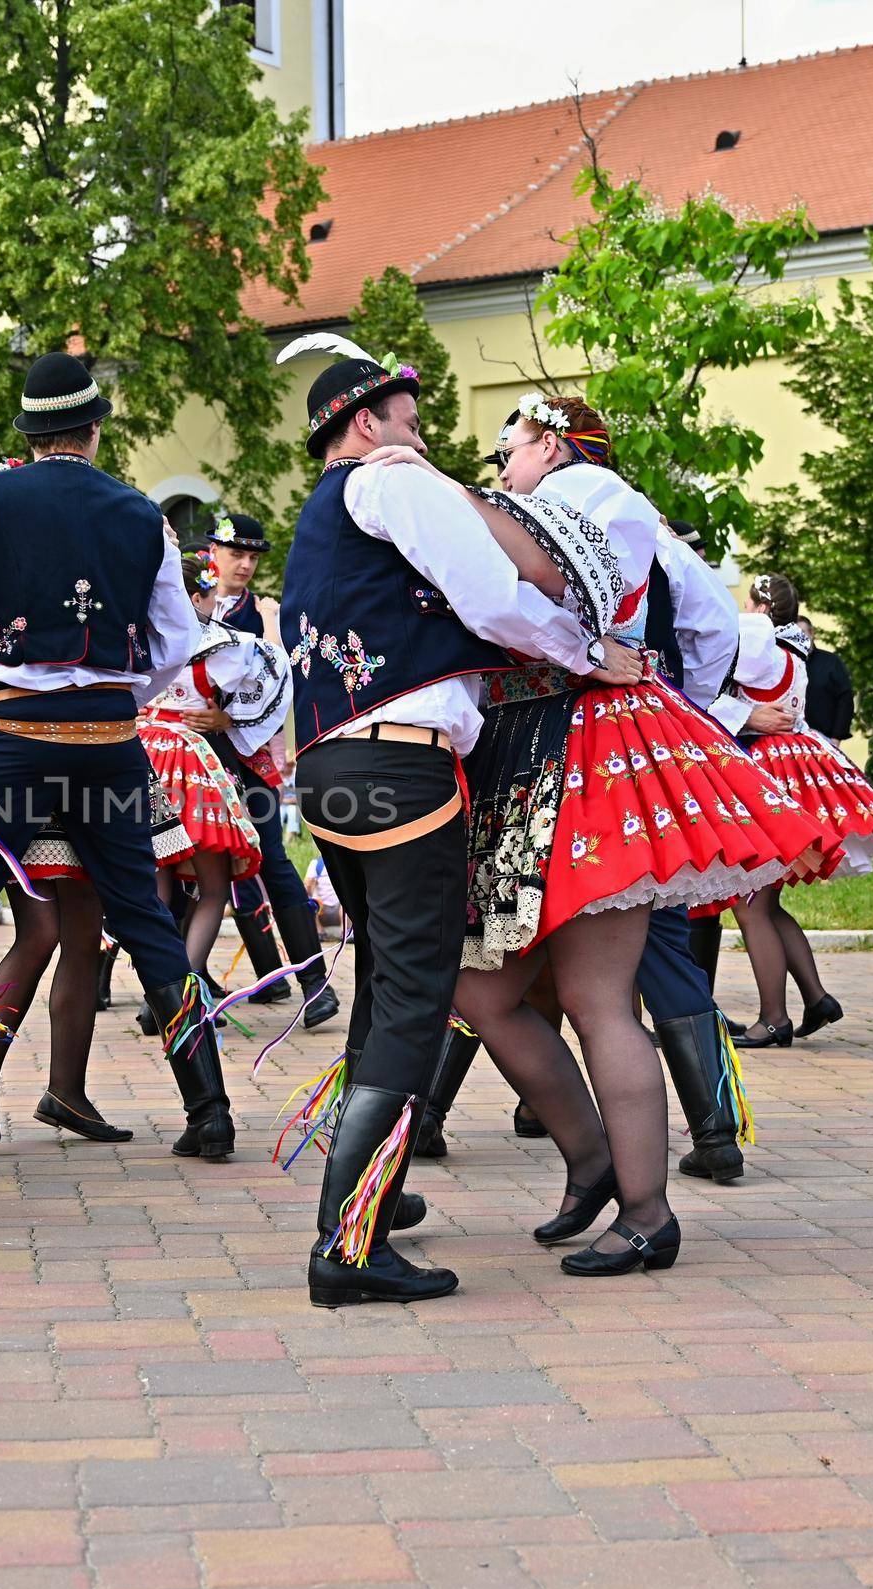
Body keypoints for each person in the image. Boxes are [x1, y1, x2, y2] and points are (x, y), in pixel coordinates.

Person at [278, 349, 646, 1307]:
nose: (423, 439)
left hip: (333, 766)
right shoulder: (393, 480)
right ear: (367, 424)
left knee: (381, 993)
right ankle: (349, 1246)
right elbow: (490, 596)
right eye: (409, 418)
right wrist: (587, 653)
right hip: (400, 764)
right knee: (413, 997)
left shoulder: (320, 516)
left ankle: (368, 1203)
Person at [449, 394, 835, 1277]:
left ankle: (646, 1209)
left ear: (547, 444)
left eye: (508, 449)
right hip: (553, 745)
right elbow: (703, 627)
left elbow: (609, 612)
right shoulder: (628, 513)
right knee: (487, 991)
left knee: (592, 997)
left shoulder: (601, 502)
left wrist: (653, 703)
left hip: (581, 750)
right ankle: (596, 1165)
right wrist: (685, 704)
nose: (501, 466)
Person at [0, 353, 239, 1165]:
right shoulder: (145, 514)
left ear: (31, 434)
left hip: (7, 739)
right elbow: (179, 640)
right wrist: (120, 693)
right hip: (109, 745)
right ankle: (209, 1110)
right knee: (145, 921)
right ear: (96, 430)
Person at [0, 671, 193, 1144]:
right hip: (11, 741)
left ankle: (68, 1090)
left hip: (93, 745)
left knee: (85, 933)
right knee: (40, 931)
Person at [709, 574, 873, 1046]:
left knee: (750, 900)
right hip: (795, 764)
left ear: (760, 608)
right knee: (766, 899)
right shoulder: (797, 648)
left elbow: (708, 699)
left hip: (765, 769)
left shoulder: (758, 642)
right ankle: (817, 997)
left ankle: (774, 1018)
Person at [134, 550, 291, 1029]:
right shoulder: (217, 642)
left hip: (139, 757)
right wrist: (271, 625)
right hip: (188, 760)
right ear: (197, 595)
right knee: (213, 886)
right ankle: (178, 999)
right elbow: (275, 672)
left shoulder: (137, 635)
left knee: (156, 890)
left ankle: (154, 995)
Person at [199, 513, 340, 1027]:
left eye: (254, 557)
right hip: (185, 756)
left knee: (272, 861)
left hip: (245, 756)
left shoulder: (265, 615)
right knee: (182, 869)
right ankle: (182, 984)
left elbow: (281, 686)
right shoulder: (185, 603)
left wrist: (228, 715)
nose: (245, 564)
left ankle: (314, 983)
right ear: (211, 552)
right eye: (236, 553)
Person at [802, 617, 856, 747]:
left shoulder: (831, 662)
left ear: (811, 633)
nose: (799, 638)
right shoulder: (786, 662)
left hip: (825, 740)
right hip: (791, 742)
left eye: (802, 633)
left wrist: (836, 738)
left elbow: (845, 699)